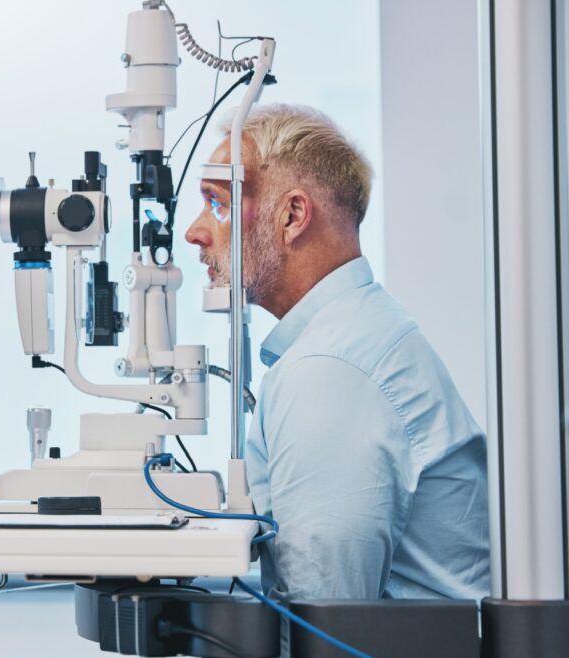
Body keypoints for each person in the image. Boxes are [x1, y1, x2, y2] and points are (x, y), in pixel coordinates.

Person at [184, 104, 490, 607]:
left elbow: (325, 628)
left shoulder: (330, 370)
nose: (195, 232)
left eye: (218, 205)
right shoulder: (353, 334)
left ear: (292, 215)